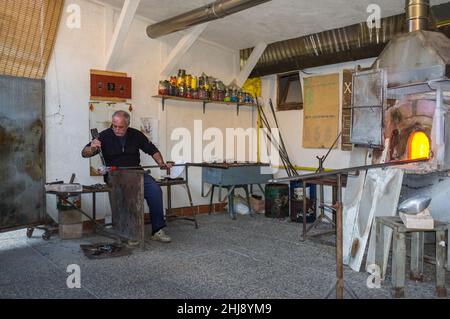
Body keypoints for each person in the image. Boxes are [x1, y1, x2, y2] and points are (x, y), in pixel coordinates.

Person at [82, 110, 172, 243]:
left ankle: (157, 230)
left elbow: (152, 150)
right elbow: (84, 153)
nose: (117, 129)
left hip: (136, 172)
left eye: (121, 127)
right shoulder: (103, 136)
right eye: (114, 126)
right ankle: (129, 232)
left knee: (155, 191)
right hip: (114, 175)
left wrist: (161, 163)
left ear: (128, 124)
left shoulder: (136, 135)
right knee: (128, 196)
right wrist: (93, 148)